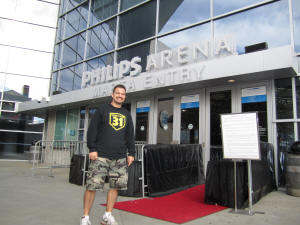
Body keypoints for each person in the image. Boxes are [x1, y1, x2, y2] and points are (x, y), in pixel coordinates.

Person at [80, 84, 135, 225]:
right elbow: (92, 130)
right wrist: (92, 148)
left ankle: (107, 215)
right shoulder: (102, 110)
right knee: (92, 186)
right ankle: (85, 217)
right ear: (112, 94)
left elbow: (130, 135)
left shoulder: (126, 114)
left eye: (123, 94)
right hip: (100, 155)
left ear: (125, 96)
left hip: (120, 156)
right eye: (118, 93)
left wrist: (131, 153)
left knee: (114, 187)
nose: (120, 96)